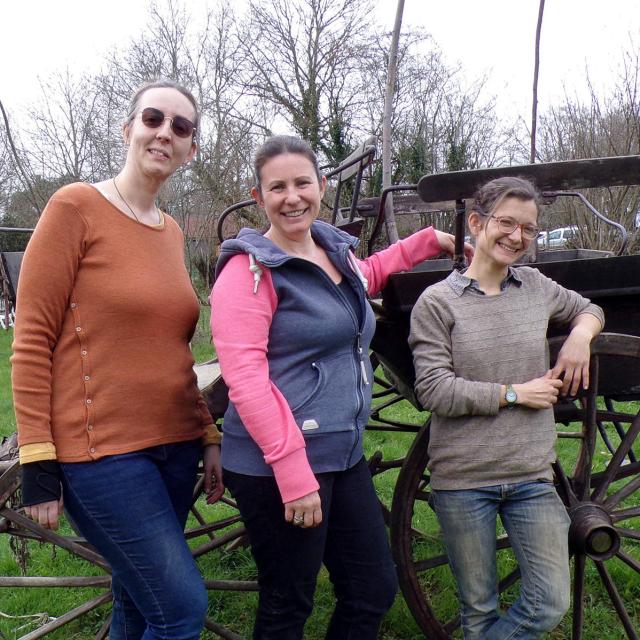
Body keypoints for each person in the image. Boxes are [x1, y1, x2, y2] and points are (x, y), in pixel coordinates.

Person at [210, 134, 474, 640]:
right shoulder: (248, 272)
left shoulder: (330, 249)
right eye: (278, 187)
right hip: (278, 466)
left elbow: (364, 277)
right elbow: (245, 379)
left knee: (372, 588)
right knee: (289, 603)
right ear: (258, 194)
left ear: (322, 185)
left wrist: (425, 244)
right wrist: (293, 474)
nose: (293, 197)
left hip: (342, 453)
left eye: (302, 183)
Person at [11, 79, 223, 640]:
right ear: (128, 128)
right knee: (180, 610)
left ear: (190, 150)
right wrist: (38, 460)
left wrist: (207, 432)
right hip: (102, 457)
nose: (164, 133)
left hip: (175, 449)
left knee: (138, 601)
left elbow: (173, 347)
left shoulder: (172, 232)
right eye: (153, 118)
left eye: (180, 127)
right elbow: (31, 339)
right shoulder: (74, 207)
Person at [409, 176, 604, 639]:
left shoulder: (535, 287)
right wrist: (515, 393)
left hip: (531, 478)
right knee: (477, 612)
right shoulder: (437, 303)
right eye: (506, 223)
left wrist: (579, 337)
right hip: (463, 482)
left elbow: (589, 308)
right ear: (477, 223)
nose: (517, 237)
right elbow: (433, 390)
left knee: (549, 602)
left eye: (529, 229)